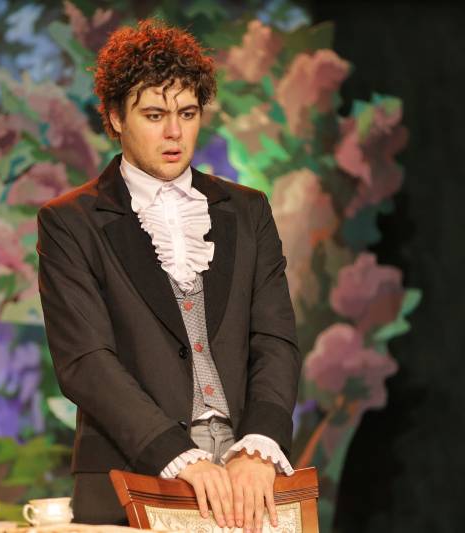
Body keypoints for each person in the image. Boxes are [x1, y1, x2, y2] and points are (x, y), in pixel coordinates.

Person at [37, 19, 300, 532]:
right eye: (154, 115)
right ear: (116, 117)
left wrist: (260, 444)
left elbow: (274, 338)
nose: (174, 133)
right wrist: (177, 454)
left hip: (247, 473)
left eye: (187, 113)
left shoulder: (247, 210)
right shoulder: (71, 221)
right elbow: (85, 361)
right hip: (135, 471)